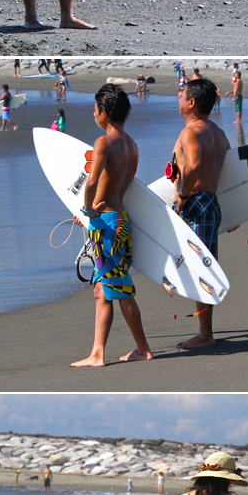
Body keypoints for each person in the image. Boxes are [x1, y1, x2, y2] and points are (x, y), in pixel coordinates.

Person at [71, 84, 153, 368]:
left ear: (104, 113)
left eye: (95, 110)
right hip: (120, 220)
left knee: (119, 285)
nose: (94, 115)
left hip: (106, 224)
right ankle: (98, 352)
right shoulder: (132, 145)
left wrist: (85, 209)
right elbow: (119, 185)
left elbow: (92, 181)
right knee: (103, 288)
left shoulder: (104, 142)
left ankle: (142, 349)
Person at [170, 77, 230, 350]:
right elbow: (229, 171)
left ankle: (205, 335)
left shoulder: (190, 132)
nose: (179, 97)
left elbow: (192, 166)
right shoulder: (218, 132)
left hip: (195, 203)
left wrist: (182, 196)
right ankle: (204, 331)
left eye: (182, 94)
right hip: (210, 203)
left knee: (200, 270)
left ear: (191, 102)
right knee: (201, 265)